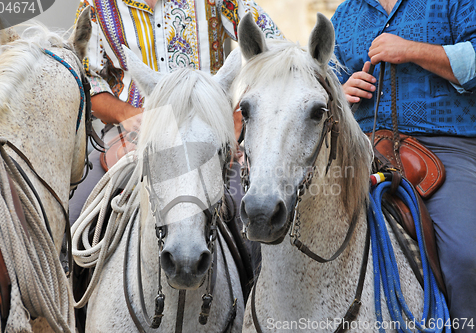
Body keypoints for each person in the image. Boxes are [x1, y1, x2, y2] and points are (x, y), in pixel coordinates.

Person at [69, 0, 283, 224]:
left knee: (255, 219)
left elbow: (274, 51)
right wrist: (126, 114)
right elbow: (87, 81)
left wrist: (238, 118)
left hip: (213, 135)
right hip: (130, 136)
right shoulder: (96, 5)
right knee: (76, 217)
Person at [331, 0, 476, 330]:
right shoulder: (346, 12)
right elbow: (324, 79)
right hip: (361, 149)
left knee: (468, 256)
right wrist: (340, 91)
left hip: (445, 146)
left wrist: (411, 50)